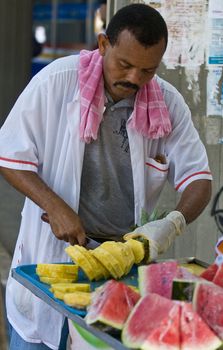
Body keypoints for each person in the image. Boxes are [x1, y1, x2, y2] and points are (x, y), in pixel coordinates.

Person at [0, 3, 212, 350]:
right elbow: (9, 155)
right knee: (37, 339)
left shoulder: (168, 103)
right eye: (124, 65)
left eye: (147, 70)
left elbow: (198, 178)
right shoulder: (55, 82)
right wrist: (54, 205)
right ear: (103, 45)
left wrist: (173, 222)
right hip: (52, 254)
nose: (133, 79)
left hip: (122, 263)